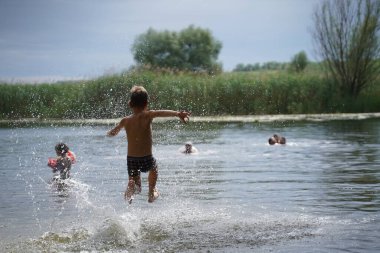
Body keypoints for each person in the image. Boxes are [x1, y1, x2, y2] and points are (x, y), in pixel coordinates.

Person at [107, 85, 191, 204]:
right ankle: (151, 192)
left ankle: (132, 185)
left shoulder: (125, 121)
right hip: (146, 157)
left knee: (137, 186)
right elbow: (161, 113)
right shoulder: (147, 115)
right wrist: (177, 114)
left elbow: (113, 133)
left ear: (130, 104)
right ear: (146, 103)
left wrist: (109, 133)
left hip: (131, 159)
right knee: (154, 168)